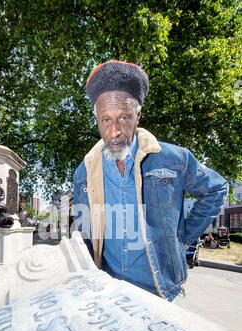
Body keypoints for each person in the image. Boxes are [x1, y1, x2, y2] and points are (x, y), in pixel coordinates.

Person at [73, 60, 227, 301]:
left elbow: (216, 188)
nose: (114, 131)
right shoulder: (84, 171)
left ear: (138, 115)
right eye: (105, 119)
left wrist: (181, 237)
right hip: (107, 294)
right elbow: (84, 233)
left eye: (124, 117)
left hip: (160, 292)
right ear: (97, 120)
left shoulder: (173, 158)